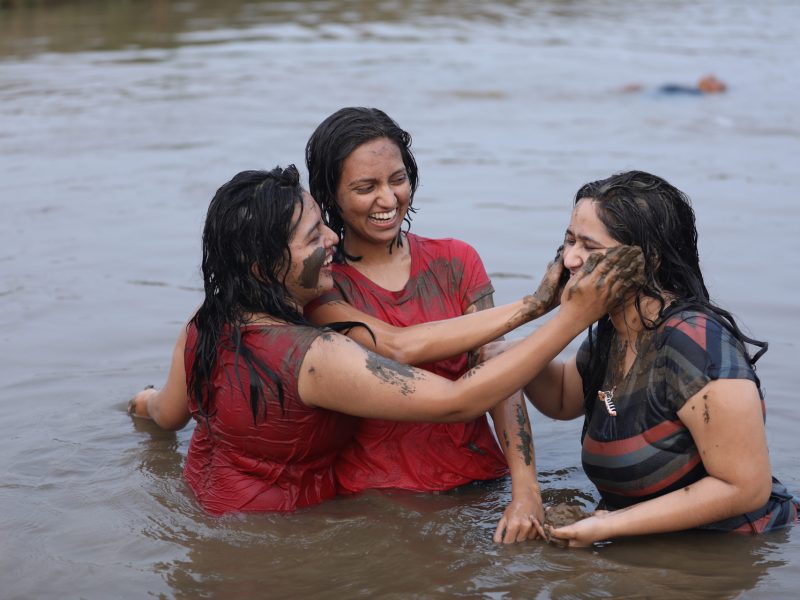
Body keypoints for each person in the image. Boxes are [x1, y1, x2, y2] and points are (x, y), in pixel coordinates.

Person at [128, 164, 644, 519]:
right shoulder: (315, 355)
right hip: (280, 535)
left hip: (204, 508)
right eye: (314, 236)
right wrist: (573, 314)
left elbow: (169, 414)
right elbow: (456, 400)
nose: (331, 239)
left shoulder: (205, 322)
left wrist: (139, 402)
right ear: (266, 266)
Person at [304, 107, 551, 543]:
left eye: (397, 180)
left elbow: (499, 370)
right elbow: (398, 348)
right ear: (330, 193)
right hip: (375, 504)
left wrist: (526, 490)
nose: (388, 199)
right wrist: (543, 305)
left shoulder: (457, 261)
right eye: (365, 187)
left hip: (480, 486)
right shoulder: (321, 287)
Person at [515, 170, 798, 546]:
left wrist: (608, 526)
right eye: (569, 240)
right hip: (649, 541)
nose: (569, 259)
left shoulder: (696, 344)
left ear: (648, 260)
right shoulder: (615, 330)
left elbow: (745, 487)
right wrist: (509, 338)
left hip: (733, 550)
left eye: (589, 247)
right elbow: (565, 397)